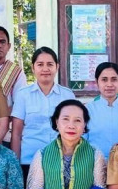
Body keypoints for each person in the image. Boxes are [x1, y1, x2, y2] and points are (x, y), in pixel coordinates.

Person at [10, 47, 76, 179]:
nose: (45, 69)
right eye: (40, 64)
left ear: (57, 67)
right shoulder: (23, 95)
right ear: (33, 68)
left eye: (50, 64)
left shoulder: (67, 95)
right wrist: (15, 165)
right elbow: (16, 134)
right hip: (29, 161)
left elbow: (75, 129)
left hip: (61, 162)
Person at [0, 25, 27, 143]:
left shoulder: (16, 73)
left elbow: (19, 105)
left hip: (5, 136)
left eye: (2, 42)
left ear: (9, 46)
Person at [86, 62, 118, 157]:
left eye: (114, 79)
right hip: (93, 163)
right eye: (104, 80)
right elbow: (82, 141)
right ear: (97, 82)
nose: (109, 84)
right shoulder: (87, 110)